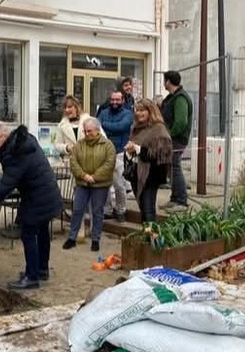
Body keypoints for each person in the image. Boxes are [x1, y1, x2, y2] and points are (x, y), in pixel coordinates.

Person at [0, 123, 62, 290]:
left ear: (4, 136)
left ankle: (31, 277)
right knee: (42, 230)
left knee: (28, 233)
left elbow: (5, 185)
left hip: (38, 196)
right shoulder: (24, 140)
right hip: (47, 192)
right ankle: (41, 270)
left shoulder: (16, 153)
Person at [63, 117, 116, 252]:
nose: (87, 134)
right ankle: (72, 237)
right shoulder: (79, 145)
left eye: (90, 131)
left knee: (97, 212)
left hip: (100, 185)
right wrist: (84, 176)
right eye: (85, 131)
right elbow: (74, 162)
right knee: (77, 209)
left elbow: (109, 163)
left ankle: (95, 239)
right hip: (82, 183)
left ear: (97, 131)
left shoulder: (108, 145)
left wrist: (95, 177)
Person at [125, 99, 173, 224]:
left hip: (150, 175)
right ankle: (146, 235)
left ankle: (152, 238)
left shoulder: (159, 129)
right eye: (137, 110)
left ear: (150, 111)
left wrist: (138, 149)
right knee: (142, 208)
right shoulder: (135, 128)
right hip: (136, 173)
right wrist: (129, 152)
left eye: (142, 110)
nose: (138, 113)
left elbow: (162, 156)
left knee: (148, 209)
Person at [97, 90, 133, 223]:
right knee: (104, 184)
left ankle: (121, 210)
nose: (114, 102)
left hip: (119, 153)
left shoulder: (128, 114)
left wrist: (105, 126)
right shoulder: (103, 112)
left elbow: (122, 127)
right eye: (112, 99)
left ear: (122, 100)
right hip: (103, 153)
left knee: (119, 184)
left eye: (117, 100)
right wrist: (107, 127)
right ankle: (107, 210)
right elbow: (97, 127)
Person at [159, 71, 193, 213]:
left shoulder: (180, 98)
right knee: (171, 168)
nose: (163, 83)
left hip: (176, 140)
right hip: (171, 138)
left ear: (168, 82)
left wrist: (170, 135)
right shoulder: (173, 97)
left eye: (164, 80)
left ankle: (181, 201)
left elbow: (181, 121)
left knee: (175, 167)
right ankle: (175, 198)